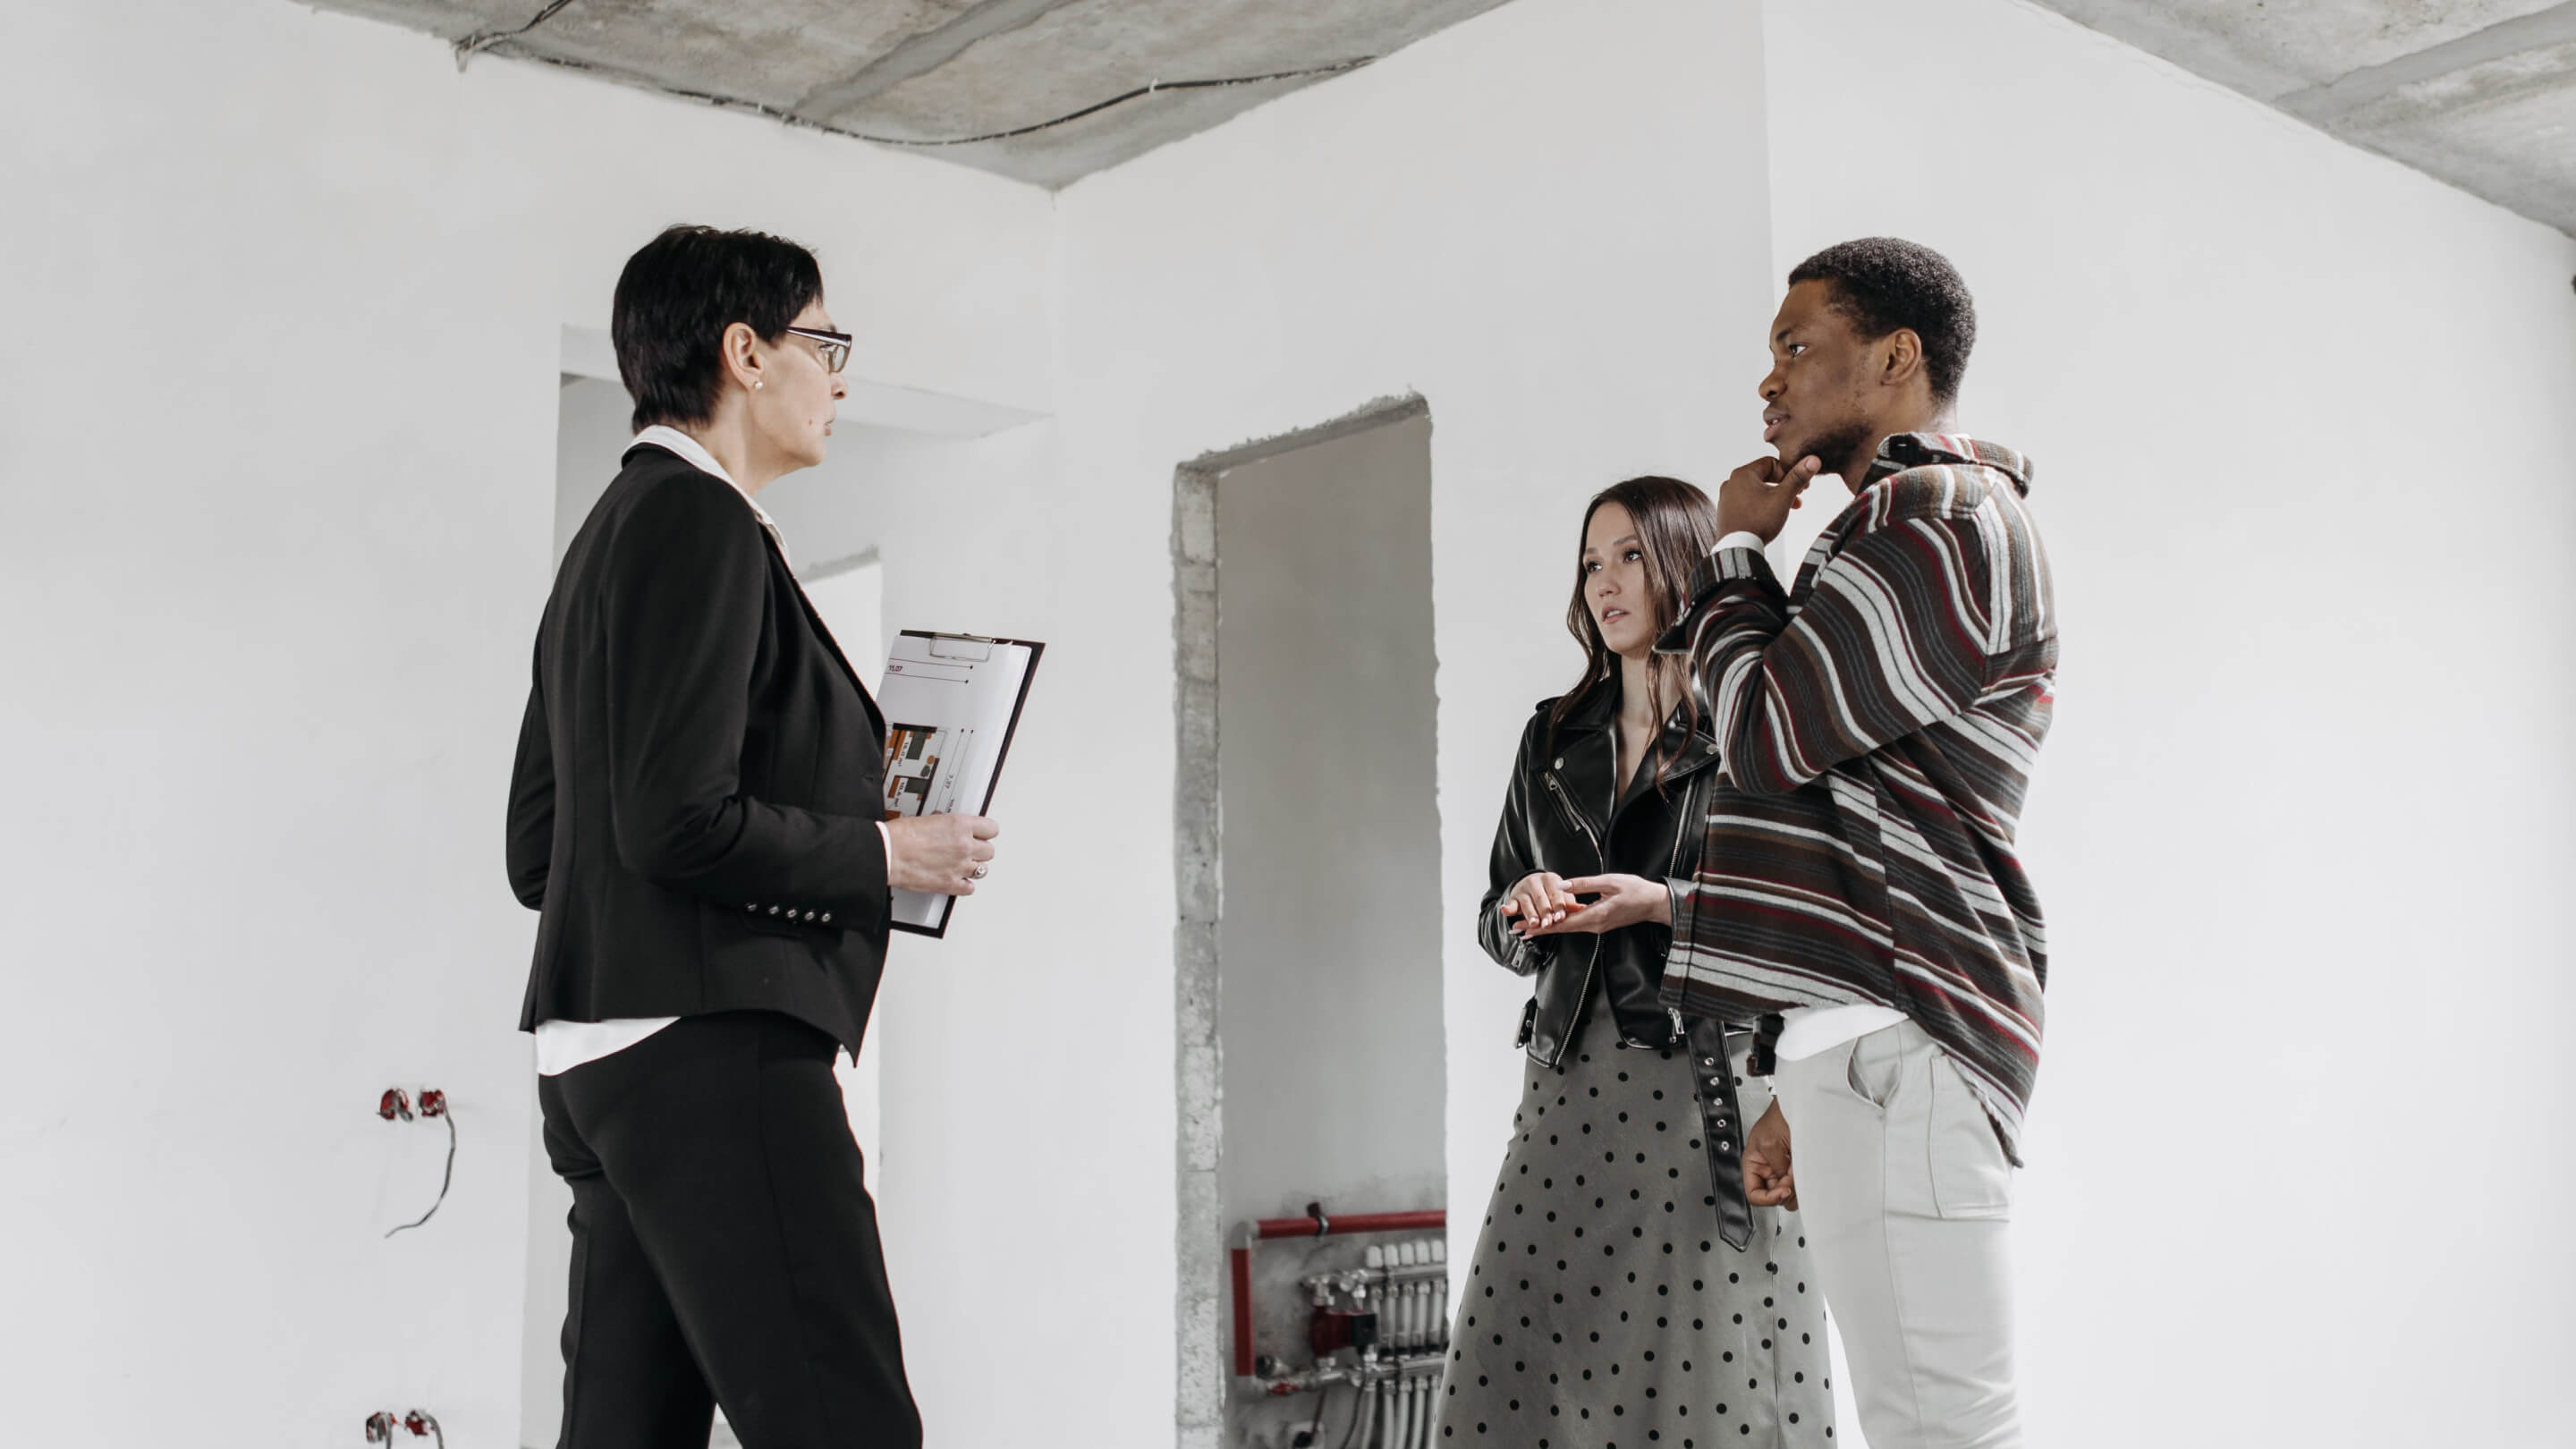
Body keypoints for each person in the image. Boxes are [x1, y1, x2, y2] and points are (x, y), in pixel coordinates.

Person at [505, 224, 1000, 1449]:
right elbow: (677, 824)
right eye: (822, 343)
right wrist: (888, 853)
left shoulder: (602, 545)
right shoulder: (704, 523)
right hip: (713, 1052)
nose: (838, 379)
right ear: (744, 352)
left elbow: (540, 853)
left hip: (598, 1067)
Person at [1657, 237, 2055, 1449]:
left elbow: (1767, 732)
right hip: (1870, 1046)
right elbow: (1838, 793)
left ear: (1894, 357)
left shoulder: (1942, 515)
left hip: (1905, 1045)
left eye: (1796, 349)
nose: (1769, 387)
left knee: (1942, 1434)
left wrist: (1733, 558)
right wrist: (1796, 1073)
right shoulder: (1892, 524)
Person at [1436, 477, 1835, 1447]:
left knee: (1702, 1386)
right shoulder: (1550, 736)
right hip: (1564, 1085)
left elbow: (1806, 922)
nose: (1605, 583)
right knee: (1518, 1375)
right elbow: (1495, 916)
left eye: (1628, 557)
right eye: (1589, 562)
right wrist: (1521, 912)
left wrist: (1662, 905)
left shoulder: (1748, 732)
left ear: (1682, 567)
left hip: (1700, 1092)